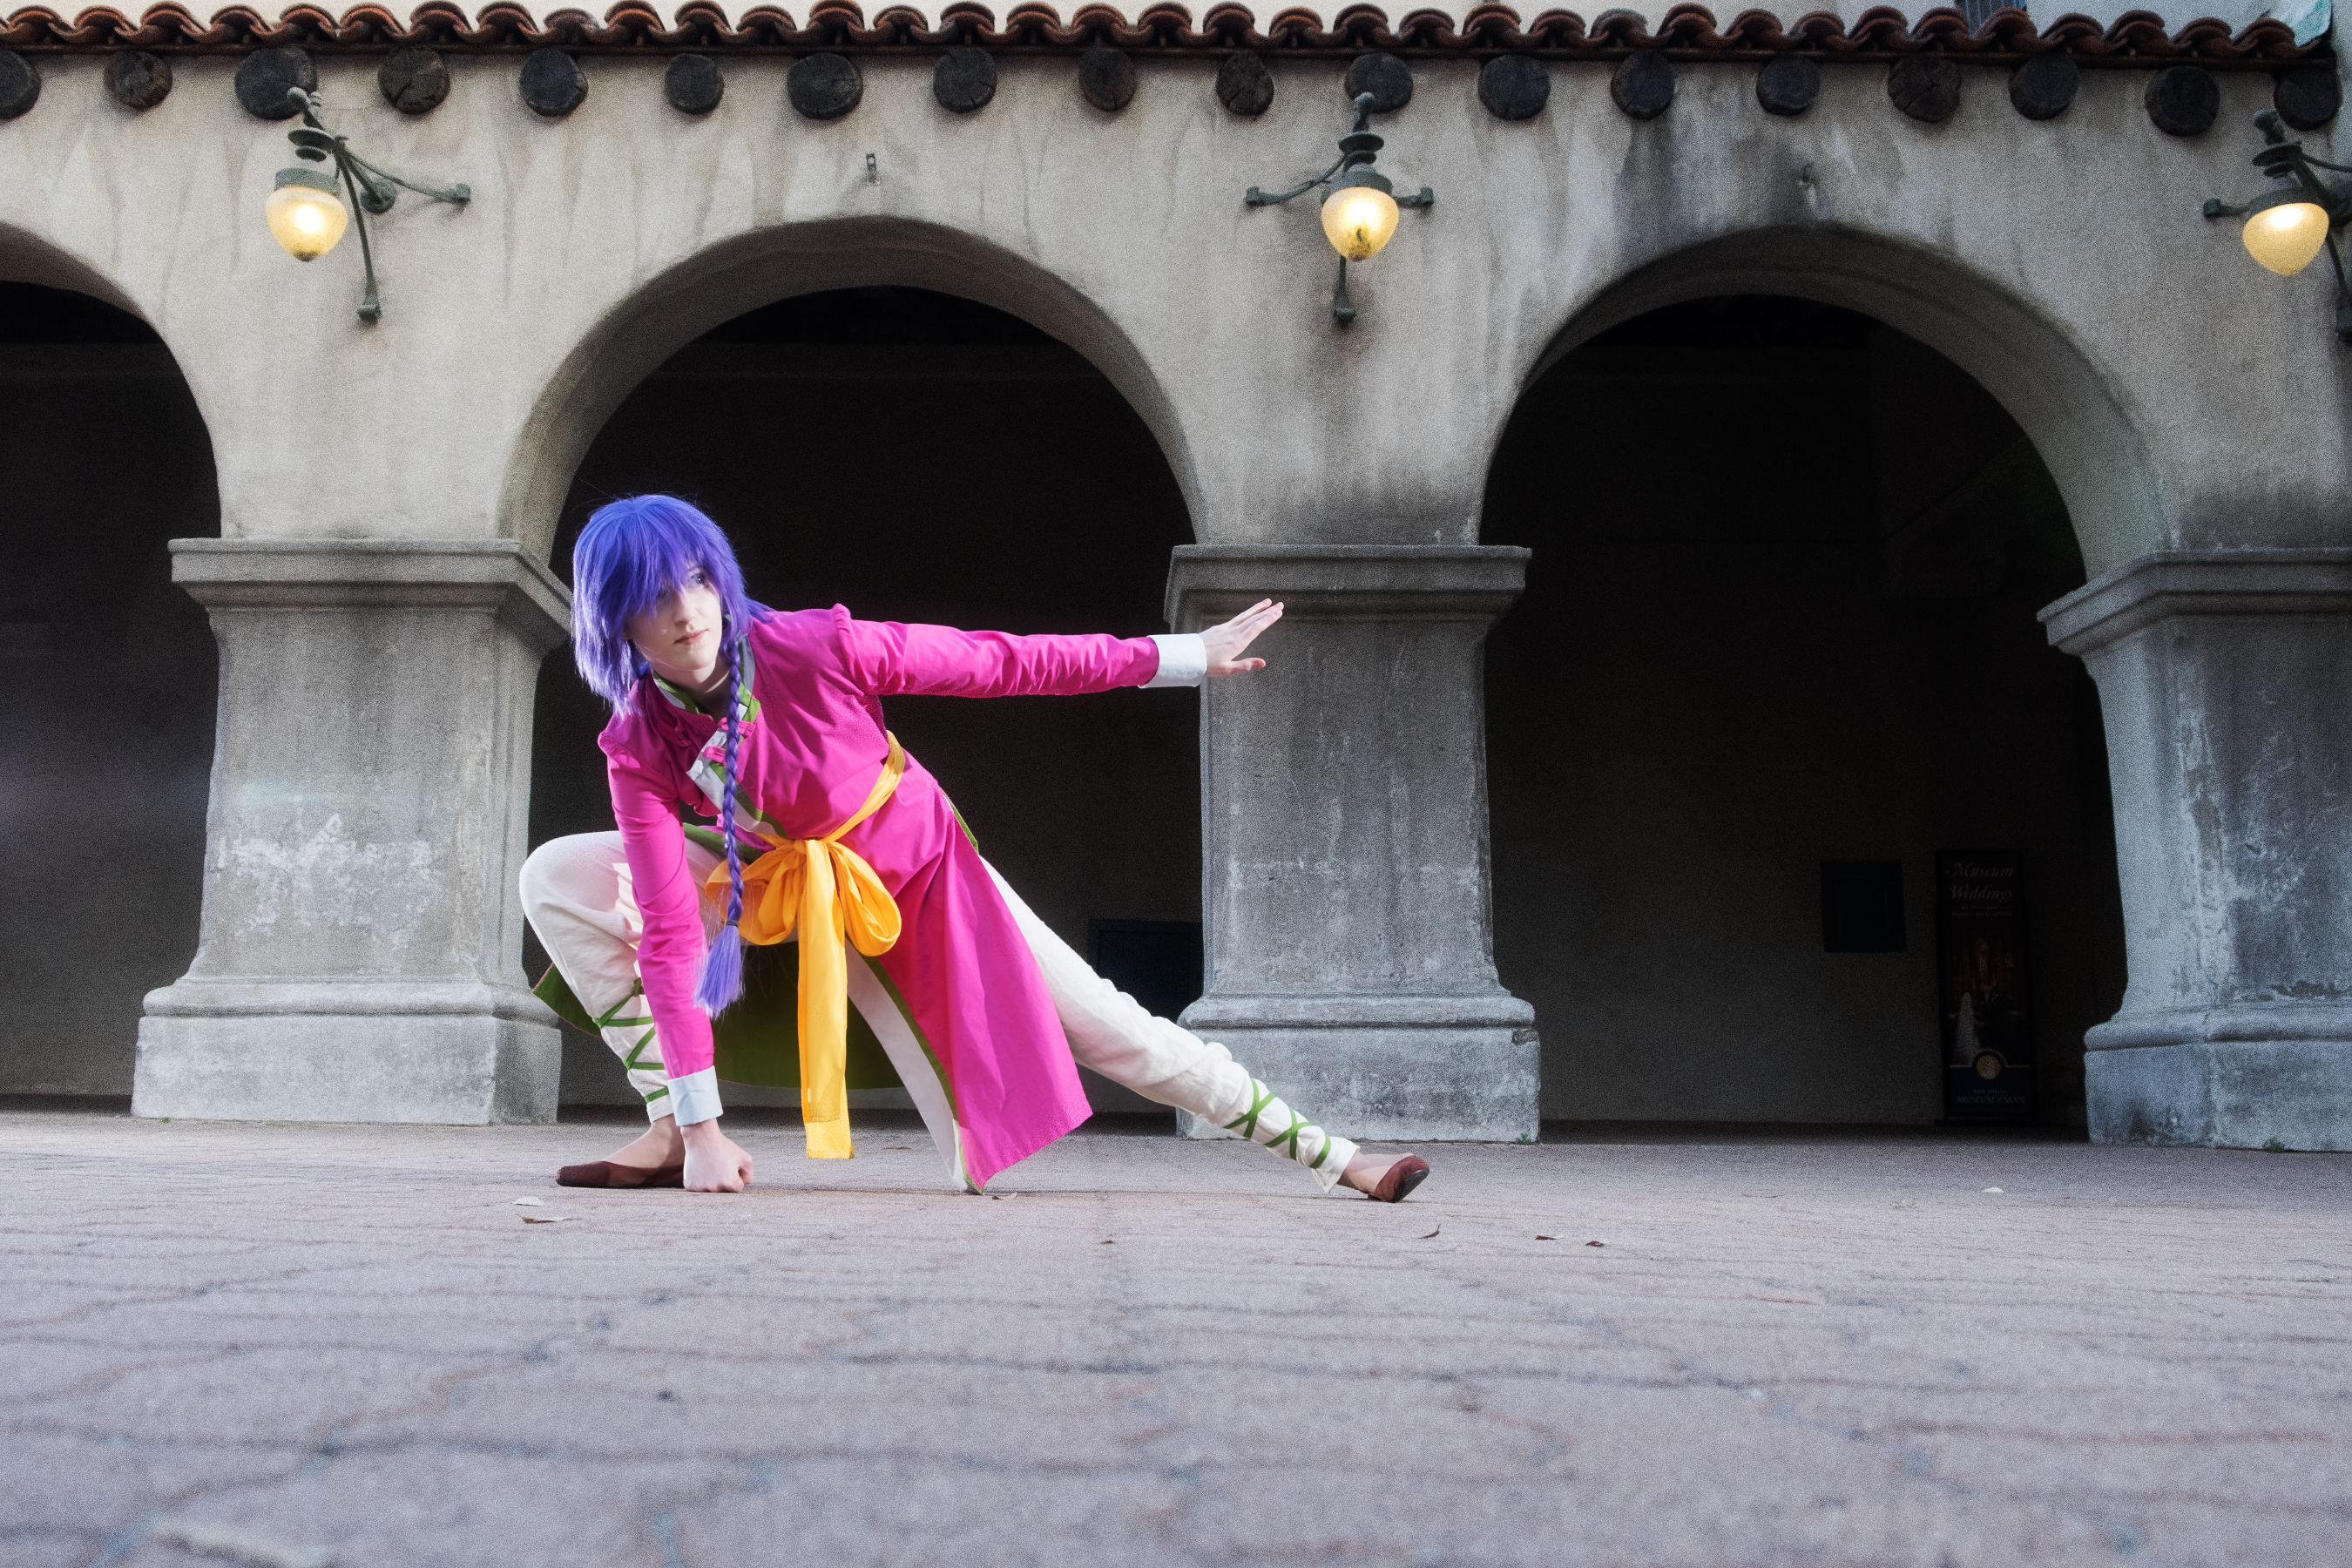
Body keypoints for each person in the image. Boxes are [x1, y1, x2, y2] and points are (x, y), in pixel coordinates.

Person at [519, 496, 1431, 1201]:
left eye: (696, 580)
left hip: (922, 887)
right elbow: (670, 933)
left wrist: (1182, 656)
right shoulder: (637, 741)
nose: (686, 611)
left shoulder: (818, 646)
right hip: (769, 895)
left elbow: (1004, 661)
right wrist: (705, 1129)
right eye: (651, 598)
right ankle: (672, 1127)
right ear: (615, 623)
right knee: (557, 876)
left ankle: (1336, 1158)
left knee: (1111, 1034)